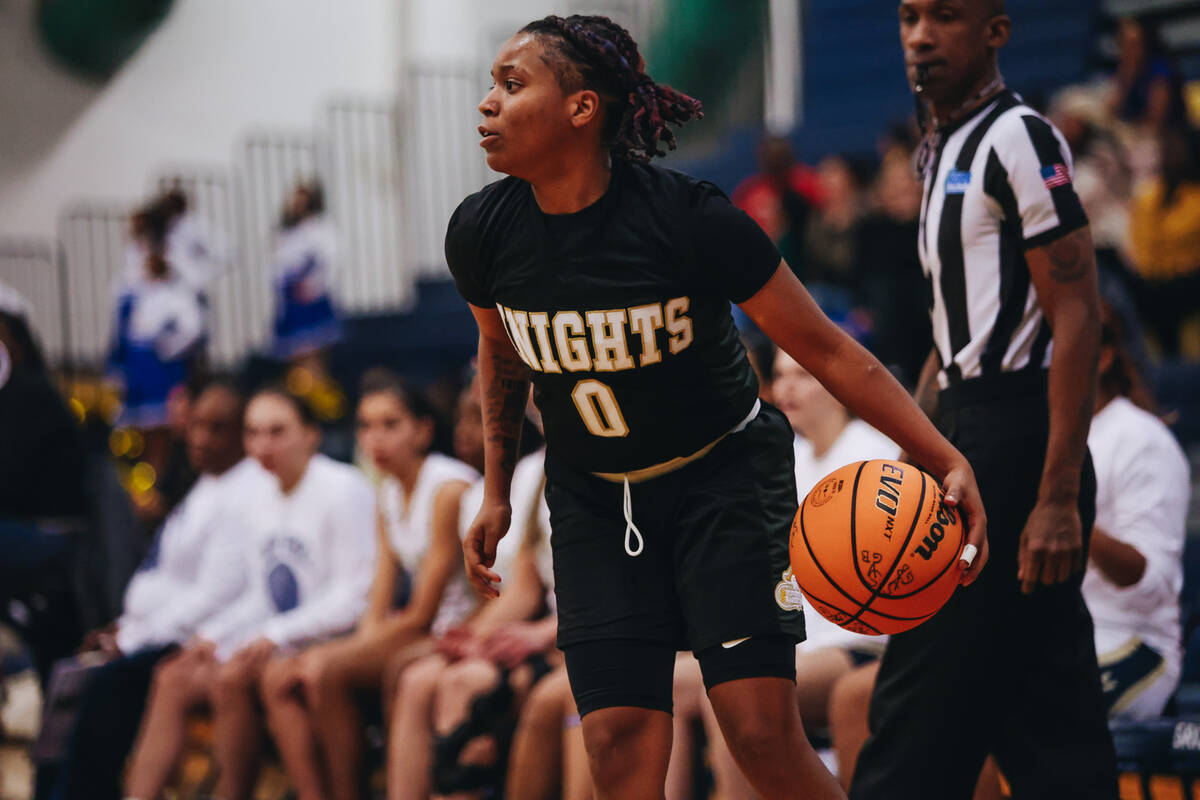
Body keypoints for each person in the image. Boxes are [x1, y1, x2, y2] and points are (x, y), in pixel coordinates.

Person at [447, 14, 986, 799]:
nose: (489, 102)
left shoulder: (686, 217)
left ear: (582, 108)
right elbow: (500, 360)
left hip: (722, 482)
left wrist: (942, 454)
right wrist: (498, 489)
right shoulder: (482, 232)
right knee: (615, 739)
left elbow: (828, 349)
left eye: (513, 83)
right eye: (493, 84)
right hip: (594, 496)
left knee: (761, 735)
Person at [850, 2, 1117, 798]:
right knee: (1042, 715)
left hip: (1020, 432)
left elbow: (1077, 311)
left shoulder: (1022, 137)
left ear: (996, 31)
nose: (920, 36)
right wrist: (920, 446)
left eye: (945, 18)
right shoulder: (939, 152)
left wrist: (1059, 494)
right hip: (968, 426)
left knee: (916, 708)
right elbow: (949, 334)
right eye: (907, 18)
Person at [123, 387, 375, 800]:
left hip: (336, 637)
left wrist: (274, 634)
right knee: (175, 674)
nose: (263, 445)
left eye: (277, 432)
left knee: (235, 677)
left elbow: (356, 595)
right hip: (285, 634)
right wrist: (217, 635)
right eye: (254, 433)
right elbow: (263, 595)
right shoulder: (261, 493)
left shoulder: (341, 488)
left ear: (310, 434)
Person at [259, 370, 476, 800]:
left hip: (463, 626)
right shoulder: (389, 491)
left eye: (390, 425)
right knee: (298, 670)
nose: (374, 439)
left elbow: (422, 612)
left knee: (326, 670)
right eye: (365, 426)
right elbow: (379, 595)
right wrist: (356, 644)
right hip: (424, 628)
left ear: (423, 430)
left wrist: (342, 652)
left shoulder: (447, 487)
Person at [44, 379, 261, 800]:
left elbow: (214, 595)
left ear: (240, 434)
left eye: (216, 428)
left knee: (103, 687)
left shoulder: (245, 492)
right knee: (68, 676)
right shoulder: (207, 483)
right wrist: (123, 625)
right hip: (148, 630)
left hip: (190, 637)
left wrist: (132, 639)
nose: (198, 438)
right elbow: (160, 572)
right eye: (195, 425)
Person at [772, 347, 896, 741]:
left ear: (839, 387)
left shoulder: (874, 455)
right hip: (804, 643)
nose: (786, 387)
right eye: (778, 375)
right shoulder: (789, 458)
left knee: (746, 692)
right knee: (689, 685)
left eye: (802, 376)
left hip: (862, 643)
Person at [1083, 303, 1190, 721]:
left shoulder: (1141, 439)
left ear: (1105, 355)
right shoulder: (1053, 437)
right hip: (1066, 641)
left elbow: (1150, 579)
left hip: (1136, 648)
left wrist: (1067, 516)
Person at [1127, 123, 1200, 357]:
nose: (1171, 155)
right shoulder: (1148, 197)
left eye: (1178, 150)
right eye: (1167, 149)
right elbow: (1139, 245)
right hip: (1152, 286)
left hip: (1190, 284)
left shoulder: (1196, 200)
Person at [271, 180, 341, 363]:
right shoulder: (289, 231)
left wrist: (315, 285)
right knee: (294, 351)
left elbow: (330, 260)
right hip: (290, 296)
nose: (297, 204)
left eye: (302, 200)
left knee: (312, 346)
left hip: (309, 296)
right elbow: (281, 264)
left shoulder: (320, 229)